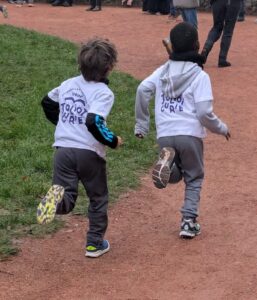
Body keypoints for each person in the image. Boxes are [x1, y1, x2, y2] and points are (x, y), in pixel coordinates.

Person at [134, 22, 230, 238]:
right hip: (189, 134)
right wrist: (221, 128)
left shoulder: (162, 71)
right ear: (197, 45)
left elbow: (142, 89)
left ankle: (164, 164)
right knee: (194, 176)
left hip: (165, 134)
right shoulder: (200, 76)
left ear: (173, 48)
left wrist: (141, 124)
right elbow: (204, 113)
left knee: (176, 173)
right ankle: (188, 222)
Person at [36, 37, 123, 258]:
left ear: (80, 64)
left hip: (63, 150)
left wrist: (64, 124)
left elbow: (47, 102)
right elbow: (94, 121)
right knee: (98, 197)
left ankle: (54, 202)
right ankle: (94, 244)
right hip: (88, 153)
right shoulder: (104, 93)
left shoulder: (68, 84)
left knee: (67, 197)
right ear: (109, 67)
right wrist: (112, 141)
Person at [201, 0, 241, 68]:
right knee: (228, 31)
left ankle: (205, 49)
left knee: (216, 27)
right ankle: (222, 59)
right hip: (233, 2)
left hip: (217, 2)